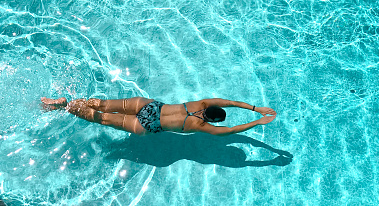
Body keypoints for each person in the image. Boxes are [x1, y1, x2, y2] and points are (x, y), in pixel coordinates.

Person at [41, 97, 276, 136]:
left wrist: (255, 108)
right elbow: (231, 131)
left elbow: (230, 102)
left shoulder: (202, 103)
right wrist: (257, 122)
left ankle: (67, 101)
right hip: (149, 124)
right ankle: (63, 108)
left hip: (150, 105)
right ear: (212, 119)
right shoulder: (200, 125)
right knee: (101, 118)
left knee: (102, 103)